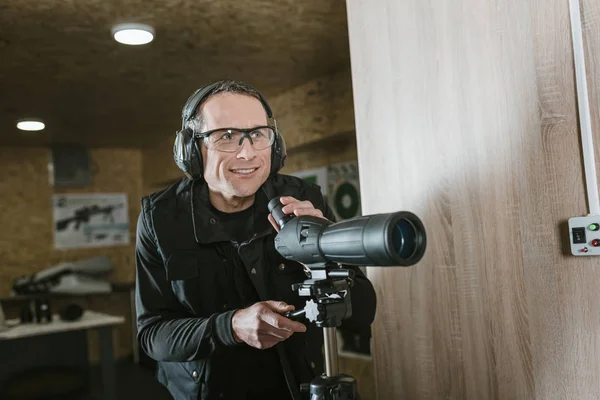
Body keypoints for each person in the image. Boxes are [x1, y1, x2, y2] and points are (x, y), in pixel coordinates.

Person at [135, 80, 377, 400]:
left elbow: (363, 310)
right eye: (227, 136)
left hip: (297, 386)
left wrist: (321, 254)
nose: (247, 153)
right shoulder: (160, 217)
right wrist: (232, 326)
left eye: (258, 135)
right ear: (192, 150)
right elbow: (153, 335)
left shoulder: (303, 197)